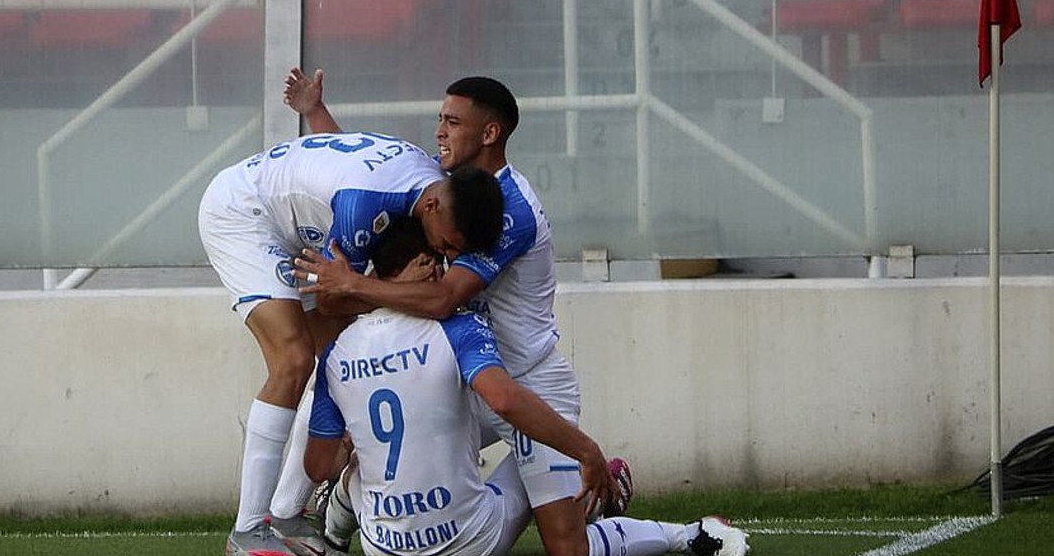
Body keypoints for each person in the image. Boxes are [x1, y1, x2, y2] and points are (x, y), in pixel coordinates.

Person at [283, 68, 657, 556]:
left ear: (489, 133)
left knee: (568, 548)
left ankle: (675, 528)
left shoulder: (509, 210)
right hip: (462, 377)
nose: (440, 130)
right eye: (441, 118)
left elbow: (443, 299)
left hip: (526, 382)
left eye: (453, 122)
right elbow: (365, 176)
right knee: (363, 420)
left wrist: (352, 285)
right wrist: (315, 113)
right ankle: (325, 516)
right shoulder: (446, 191)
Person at [305, 218, 749, 556]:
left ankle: (335, 528)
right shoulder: (457, 328)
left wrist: (353, 449)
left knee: (362, 463)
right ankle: (687, 533)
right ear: (420, 266)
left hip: (385, 548)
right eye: (436, 261)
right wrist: (585, 451)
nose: (444, 273)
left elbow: (318, 464)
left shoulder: (336, 353)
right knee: (546, 466)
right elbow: (504, 398)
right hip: (469, 541)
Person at [198, 130, 506, 556]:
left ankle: (286, 512)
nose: (444, 256)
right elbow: (331, 298)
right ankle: (248, 531)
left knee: (335, 361)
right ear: (433, 205)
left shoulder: (429, 186)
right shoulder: (362, 208)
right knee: (294, 359)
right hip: (243, 213)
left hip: (289, 217)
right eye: (447, 244)